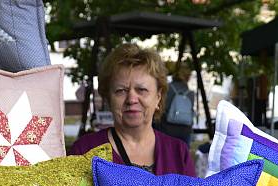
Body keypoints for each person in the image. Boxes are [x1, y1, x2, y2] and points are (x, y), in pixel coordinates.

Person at [70, 43, 194, 176]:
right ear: (108, 98)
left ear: (158, 97)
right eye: (121, 91)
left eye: (142, 90)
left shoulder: (179, 153)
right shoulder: (84, 151)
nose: (131, 99)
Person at [157, 62, 195, 146]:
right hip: (184, 132)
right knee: (182, 157)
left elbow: (161, 109)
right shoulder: (190, 93)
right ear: (187, 76)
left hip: (166, 130)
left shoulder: (167, 88)